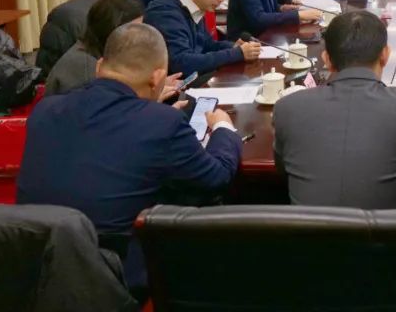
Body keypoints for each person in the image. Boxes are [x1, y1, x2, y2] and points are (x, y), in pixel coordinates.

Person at [17, 23, 242, 289]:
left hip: (37, 272)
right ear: (157, 78)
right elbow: (216, 176)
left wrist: (147, 109)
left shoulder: (45, 110)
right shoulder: (163, 122)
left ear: (100, 67)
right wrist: (223, 127)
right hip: (113, 279)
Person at [272, 11, 396, 208]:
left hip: (306, 229)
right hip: (387, 229)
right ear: (385, 55)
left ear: (327, 59)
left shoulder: (287, 108)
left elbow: (283, 173)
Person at [144, 0, 261, 76]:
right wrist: (236, 53)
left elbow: (206, 45)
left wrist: (233, 47)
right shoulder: (165, 13)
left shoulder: (196, 5)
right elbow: (182, 63)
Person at [46, 0, 144, 96]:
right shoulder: (85, 69)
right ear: (109, 30)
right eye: (133, 31)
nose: (140, 37)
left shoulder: (98, 50)